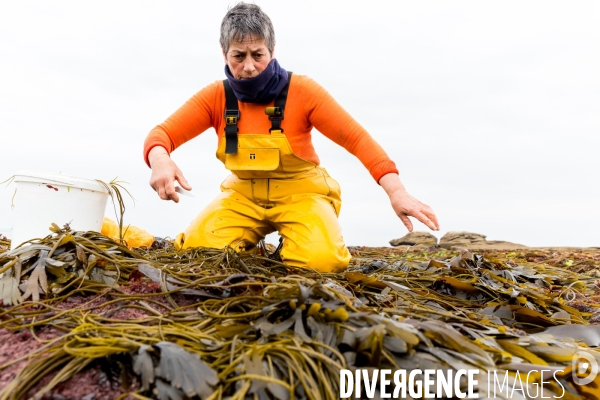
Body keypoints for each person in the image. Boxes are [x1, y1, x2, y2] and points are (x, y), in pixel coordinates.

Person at [143, 2, 439, 273]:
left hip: (302, 195)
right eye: (238, 56)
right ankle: (250, 249)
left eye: (257, 55)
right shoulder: (216, 97)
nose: (248, 66)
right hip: (242, 195)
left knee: (320, 264)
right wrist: (160, 159)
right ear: (225, 54)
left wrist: (396, 191)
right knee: (199, 254)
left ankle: (301, 241)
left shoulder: (303, 91)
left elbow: (357, 138)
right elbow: (161, 134)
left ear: (271, 50)